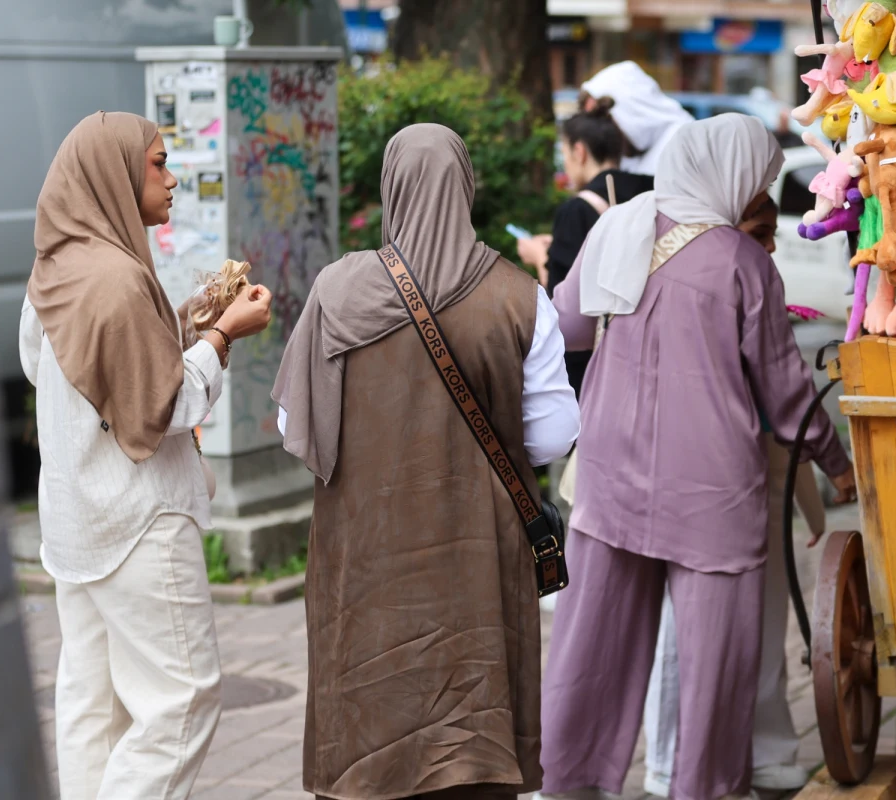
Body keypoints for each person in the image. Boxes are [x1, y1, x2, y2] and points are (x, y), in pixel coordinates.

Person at [539, 115, 856, 800]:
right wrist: (837, 463)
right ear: (732, 176)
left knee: (590, 650)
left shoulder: (615, 229)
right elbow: (786, 389)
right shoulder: (742, 263)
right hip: (710, 493)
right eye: (760, 179)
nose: (760, 190)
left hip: (608, 477)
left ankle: (569, 786)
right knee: (716, 668)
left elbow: (563, 326)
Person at [272, 124, 580, 800]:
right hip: (478, 558)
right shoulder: (517, 295)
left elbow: (294, 424)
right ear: (465, 187)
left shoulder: (335, 291)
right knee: (472, 740)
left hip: (365, 556)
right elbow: (556, 434)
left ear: (390, 188)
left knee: (366, 728)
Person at [20, 111, 272, 800]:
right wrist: (222, 335)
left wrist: (186, 319)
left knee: (91, 705)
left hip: (75, 519)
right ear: (114, 173)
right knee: (182, 700)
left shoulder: (58, 268)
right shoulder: (119, 280)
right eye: (159, 163)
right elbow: (168, 405)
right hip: (138, 521)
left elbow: (66, 375)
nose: (172, 177)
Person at [643, 192, 832, 795]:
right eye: (759, 232)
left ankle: (766, 749)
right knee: (689, 635)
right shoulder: (675, 269)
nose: (771, 246)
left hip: (760, 473)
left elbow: (783, 388)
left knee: (767, 617)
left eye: (773, 233)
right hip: (691, 484)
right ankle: (673, 766)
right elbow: (786, 389)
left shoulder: (751, 272)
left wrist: (819, 485)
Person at [518, 100, 653, 395]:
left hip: (592, 363)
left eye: (565, 153)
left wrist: (539, 256)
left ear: (579, 152)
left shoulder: (576, 210)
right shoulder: (650, 190)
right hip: (647, 344)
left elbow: (560, 303)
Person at [579, 61, 694, 176]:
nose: (597, 131)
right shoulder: (633, 150)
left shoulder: (686, 143)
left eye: (600, 117)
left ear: (628, 109)